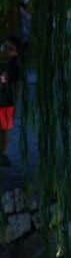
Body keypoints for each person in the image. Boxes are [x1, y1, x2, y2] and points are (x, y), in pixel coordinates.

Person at [0, 37, 21, 166]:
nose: (5, 50)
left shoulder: (14, 64)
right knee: (3, 128)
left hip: (6, 101)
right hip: (4, 100)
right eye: (4, 47)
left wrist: (15, 101)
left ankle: (3, 154)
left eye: (8, 48)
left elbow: (15, 83)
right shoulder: (8, 62)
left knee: (5, 128)